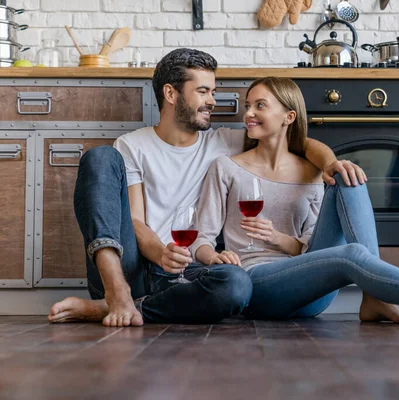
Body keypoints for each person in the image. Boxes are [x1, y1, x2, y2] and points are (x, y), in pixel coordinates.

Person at [47, 49, 366, 327]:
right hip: (135, 270)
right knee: (101, 157)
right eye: (203, 91)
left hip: (192, 275)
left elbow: (297, 141)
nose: (212, 101)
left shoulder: (224, 142)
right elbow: (134, 221)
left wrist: (329, 164)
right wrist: (161, 254)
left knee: (237, 284)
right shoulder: (133, 145)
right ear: (171, 94)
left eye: (212, 91)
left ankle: (115, 309)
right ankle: (115, 295)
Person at [192, 76, 399, 328]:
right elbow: (202, 240)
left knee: (347, 175)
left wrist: (278, 238)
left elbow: (309, 248)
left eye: (259, 106)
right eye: (248, 105)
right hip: (258, 284)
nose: (248, 113)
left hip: (311, 292)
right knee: (350, 254)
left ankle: (375, 296)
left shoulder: (313, 173)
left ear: (288, 116)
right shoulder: (226, 168)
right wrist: (217, 257)